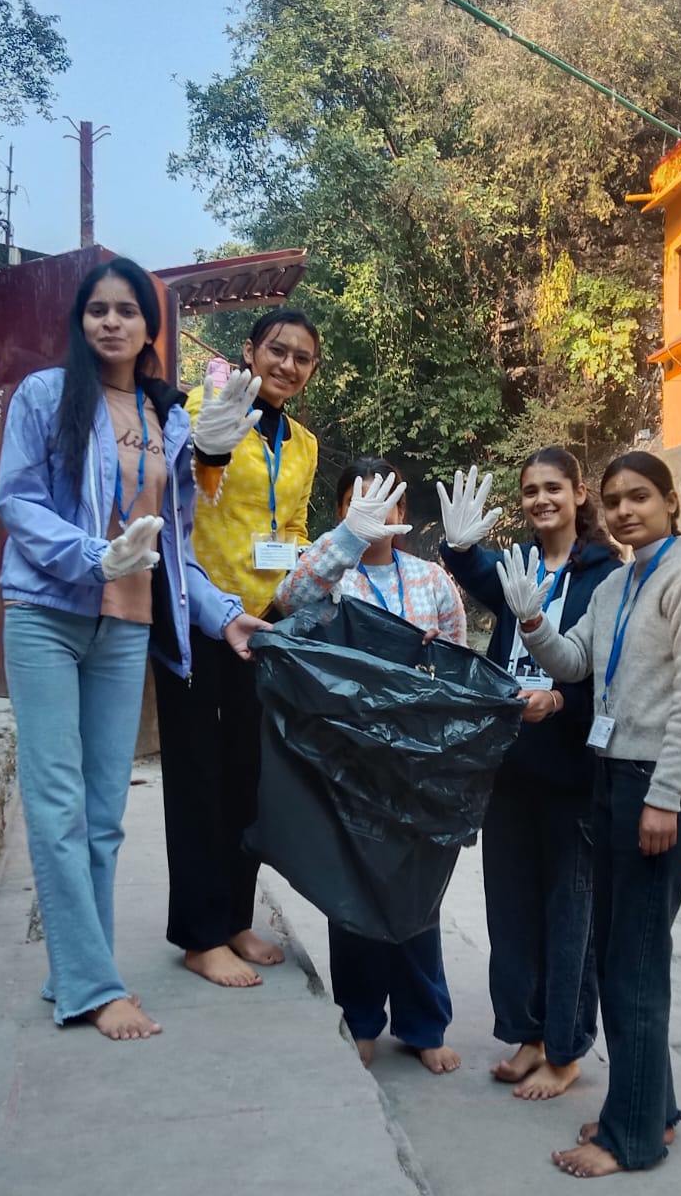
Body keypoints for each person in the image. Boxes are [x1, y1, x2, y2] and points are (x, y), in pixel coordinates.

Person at [0, 257, 264, 1041]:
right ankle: (90, 984)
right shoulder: (45, 396)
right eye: (97, 310)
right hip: (48, 612)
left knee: (105, 813)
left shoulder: (165, 416)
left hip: (128, 625)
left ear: (150, 328)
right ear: (81, 321)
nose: (111, 322)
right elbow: (16, 500)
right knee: (55, 804)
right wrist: (89, 556)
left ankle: (76, 970)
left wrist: (222, 617)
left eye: (127, 311)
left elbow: (176, 540)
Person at [494, 451, 681, 1178]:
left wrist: (664, 795)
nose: (627, 510)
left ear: (671, 500)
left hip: (652, 786)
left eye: (641, 497)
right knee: (623, 956)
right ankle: (648, 1107)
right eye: (618, 500)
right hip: (609, 777)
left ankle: (628, 1138)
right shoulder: (622, 581)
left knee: (633, 965)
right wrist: (531, 617)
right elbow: (572, 664)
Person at [273, 458, 468, 1074]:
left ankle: (422, 1023)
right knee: (353, 882)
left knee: (419, 888)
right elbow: (287, 602)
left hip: (419, 756)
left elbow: (459, 661)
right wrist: (346, 540)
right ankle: (359, 1017)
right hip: (350, 753)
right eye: (362, 502)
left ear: (404, 517)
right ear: (340, 512)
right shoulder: (330, 571)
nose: (379, 513)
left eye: (389, 504)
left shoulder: (433, 581)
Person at [437, 452, 619, 1101]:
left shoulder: (606, 575)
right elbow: (480, 571)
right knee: (511, 907)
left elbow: (612, 672)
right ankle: (526, 1034)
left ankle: (567, 1050)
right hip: (510, 760)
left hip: (573, 768)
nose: (541, 500)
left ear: (579, 493)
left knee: (570, 913)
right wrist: (457, 548)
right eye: (530, 491)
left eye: (553, 489)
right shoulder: (518, 566)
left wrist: (564, 702)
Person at [152, 308, 322, 988]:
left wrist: (305, 572)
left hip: (266, 625)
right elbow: (185, 501)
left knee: (248, 775)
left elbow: (295, 523)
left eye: (302, 357)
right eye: (276, 350)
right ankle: (198, 934)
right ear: (250, 350)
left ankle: (234, 917)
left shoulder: (304, 443)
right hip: (198, 616)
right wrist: (207, 451)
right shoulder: (205, 407)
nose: (286, 364)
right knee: (198, 777)